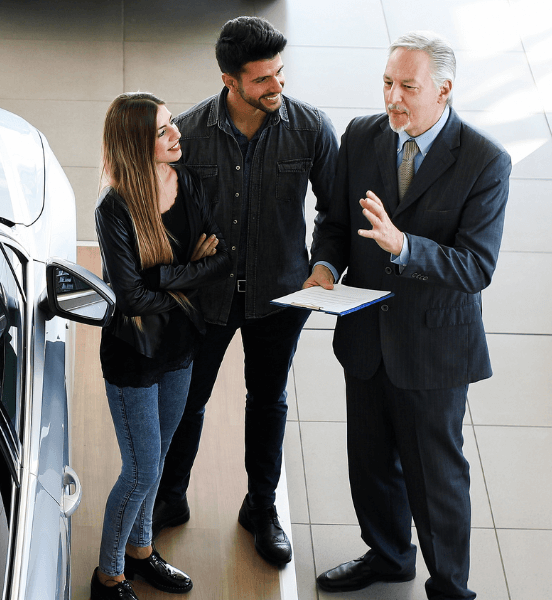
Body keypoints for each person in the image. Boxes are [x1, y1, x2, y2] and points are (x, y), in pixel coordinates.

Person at [306, 31, 510, 599]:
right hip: (366, 336)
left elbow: (475, 267)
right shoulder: (363, 135)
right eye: (388, 84)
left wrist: (404, 247)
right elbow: (336, 222)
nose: (393, 98)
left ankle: (449, 588)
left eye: (407, 87)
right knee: (369, 465)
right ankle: (390, 555)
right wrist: (325, 265)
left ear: (443, 90)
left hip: (432, 350)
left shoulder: (485, 161)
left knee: (435, 480)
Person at [152, 16, 338, 568]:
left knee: (269, 402)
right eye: (263, 80)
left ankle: (260, 508)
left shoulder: (310, 129)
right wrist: (184, 251)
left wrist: (325, 265)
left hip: (280, 298)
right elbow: (163, 213)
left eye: (280, 73)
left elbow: (334, 211)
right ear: (229, 80)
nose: (277, 86)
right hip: (205, 299)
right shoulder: (188, 134)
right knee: (188, 401)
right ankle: (171, 496)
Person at [91, 92, 231, 600]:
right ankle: (108, 577)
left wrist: (166, 278)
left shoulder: (186, 180)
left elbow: (221, 257)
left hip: (180, 344)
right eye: (164, 131)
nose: (177, 135)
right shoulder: (115, 210)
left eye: (173, 125)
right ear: (137, 144)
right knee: (142, 469)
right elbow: (129, 296)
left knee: (161, 453)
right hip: (134, 354)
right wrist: (186, 275)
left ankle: (141, 551)